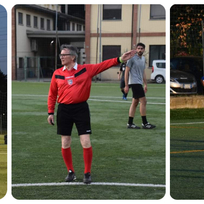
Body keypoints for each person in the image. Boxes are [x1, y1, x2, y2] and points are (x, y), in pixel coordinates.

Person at [47, 44, 136, 184]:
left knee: (86, 141)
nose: (61, 57)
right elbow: (52, 94)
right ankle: (70, 172)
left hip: (81, 109)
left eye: (64, 55)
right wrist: (50, 112)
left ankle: (87, 173)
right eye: (61, 55)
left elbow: (103, 65)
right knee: (65, 142)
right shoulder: (57, 73)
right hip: (63, 109)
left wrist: (119, 59)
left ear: (73, 57)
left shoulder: (85, 70)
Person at [123, 43, 157, 129]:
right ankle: (145, 123)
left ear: (144, 49)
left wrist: (145, 84)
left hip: (139, 83)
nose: (140, 50)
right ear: (136, 49)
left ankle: (130, 123)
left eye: (141, 48)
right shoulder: (131, 59)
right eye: (138, 48)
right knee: (143, 101)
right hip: (134, 83)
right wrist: (126, 85)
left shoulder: (143, 59)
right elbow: (126, 72)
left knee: (134, 103)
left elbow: (143, 73)